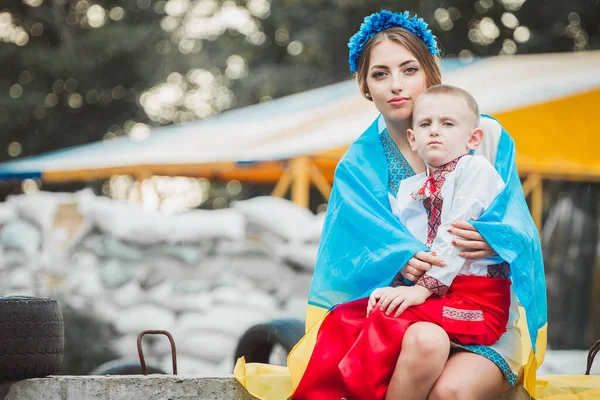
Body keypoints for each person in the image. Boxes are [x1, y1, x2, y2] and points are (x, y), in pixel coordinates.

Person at [234, 10, 546, 400]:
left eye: (409, 69)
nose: (396, 86)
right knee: (418, 346)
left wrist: (495, 238)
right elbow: (346, 254)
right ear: (364, 86)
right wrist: (398, 257)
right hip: (404, 313)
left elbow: (517, 222)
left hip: (483, 311)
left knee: (452, 393)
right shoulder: (358, 165)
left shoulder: (485, 136)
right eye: (380, 74)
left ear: (431, 72)